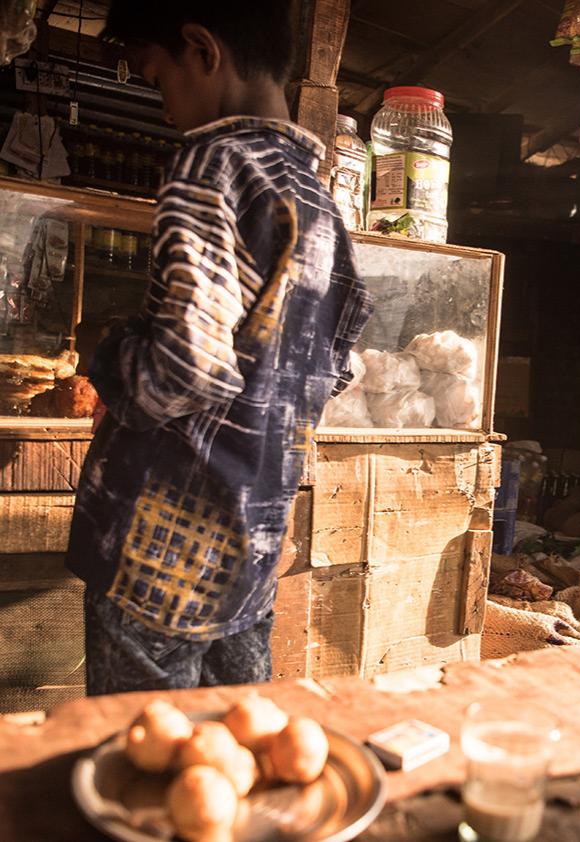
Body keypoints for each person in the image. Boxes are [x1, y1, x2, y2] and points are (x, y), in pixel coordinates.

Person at [67, 1, 373, 695]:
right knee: (236, 751)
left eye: (155, 76)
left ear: (202, 50)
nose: (163, 102)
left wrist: (105, 344)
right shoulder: (319, 199)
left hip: (158, 552)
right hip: (253, 552)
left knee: (149, 767)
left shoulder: (211, 162)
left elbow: (182, 368)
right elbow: (337, 369)